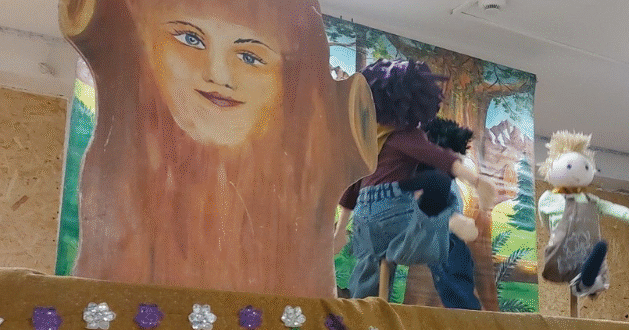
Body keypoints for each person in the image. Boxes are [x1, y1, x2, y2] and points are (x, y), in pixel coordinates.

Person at [60, 0, 375, 296]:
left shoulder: (296, 181)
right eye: (191, 39)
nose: (218, 75)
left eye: (249, 57)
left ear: (287, 81)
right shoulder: (129, 177)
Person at [332, 59, 494, 300]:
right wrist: (476, 181)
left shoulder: (368, 139)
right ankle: (445, 222)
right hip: (391, 207)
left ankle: (362, 309)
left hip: (363, 217)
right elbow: (437, 157)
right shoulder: (405, 134)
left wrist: (340, 230)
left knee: (369, 269)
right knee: (422, 225)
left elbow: (353, 187)